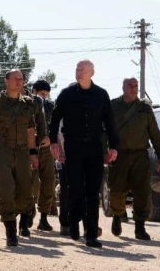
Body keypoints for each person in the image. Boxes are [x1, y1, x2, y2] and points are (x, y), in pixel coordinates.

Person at [49, 59, 119, 248]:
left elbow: (110, 123)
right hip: (73, 146)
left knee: (92, 191)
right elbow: (55, 119)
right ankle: (74, 219)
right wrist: (54, 143)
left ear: (91, 73)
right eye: (77, 69)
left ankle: (90, 234)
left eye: (82, 70)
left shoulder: (101, 95)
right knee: (76, 188)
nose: (78, 72)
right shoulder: (66, 94)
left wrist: (114, 147)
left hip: (95, 147)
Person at [0, 69, 40, 247]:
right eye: (15, 79)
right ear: (6, 81)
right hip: (1, 152)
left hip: (22, 152)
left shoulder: (27, 103)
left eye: (21, 79)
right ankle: (10, 231)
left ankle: (24, 211)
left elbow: (30, 130)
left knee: (24, 193)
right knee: (6, 190)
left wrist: (33, 152)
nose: (19, 82)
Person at [108, 77, 160, 240]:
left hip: (140, 155)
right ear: (123, 87)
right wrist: (106, 150)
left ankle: (140, 226)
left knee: (142, 192)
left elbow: (154, 132)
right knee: (117, 190)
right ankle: (118, 216)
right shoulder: (113, 105)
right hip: (119, 155)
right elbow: (105, 129)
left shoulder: (145, 108)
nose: (133, 88)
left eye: (136, 86)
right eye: (130, 85)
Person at [30, 79, 57, 231]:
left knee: (49, 182)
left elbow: (56, 126)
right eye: (42, 94)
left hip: (46, 149)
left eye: (47, 94)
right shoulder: (27, 104)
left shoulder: (51, 107)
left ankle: (44, 217)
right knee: (32, 182)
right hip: (30, 148)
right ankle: (28, 210)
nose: (44, 97)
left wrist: (51, 139)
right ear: (34, 91)